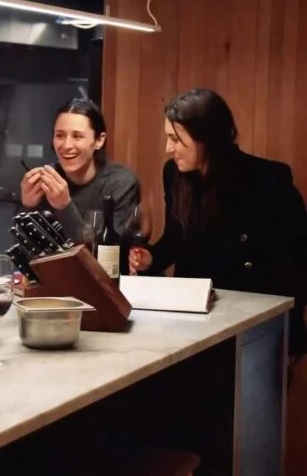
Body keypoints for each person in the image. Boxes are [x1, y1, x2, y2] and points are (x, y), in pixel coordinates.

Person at [129, 88, 307, 356]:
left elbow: (296, 262)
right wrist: (151, 258)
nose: (168, 148)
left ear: (206, 138)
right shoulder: (174, 173)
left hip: (253, 320)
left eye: (176, 139)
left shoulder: (267, 179)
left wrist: (289, 338)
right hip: (193, 315)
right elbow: (176, 237)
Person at [20, 98, 140, 244]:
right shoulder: (47, 180)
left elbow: (104, 251)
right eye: (60, 135)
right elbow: (28, 249)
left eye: (77, 136)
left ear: (99, 140)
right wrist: (28, 208)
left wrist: (64, 206)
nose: (66, 145)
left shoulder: (121, 183)